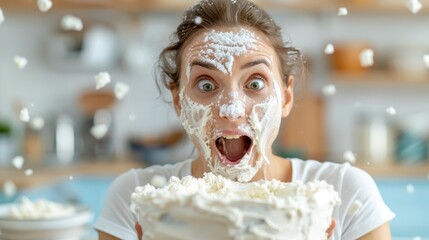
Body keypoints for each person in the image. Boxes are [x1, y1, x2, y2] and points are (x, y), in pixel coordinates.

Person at [94, 0, 395, 239]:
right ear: (178, 100)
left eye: (254, 83)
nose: (231, 108)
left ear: (286, 97)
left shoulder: (341, 194)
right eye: (206, 85)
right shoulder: (139, 199)